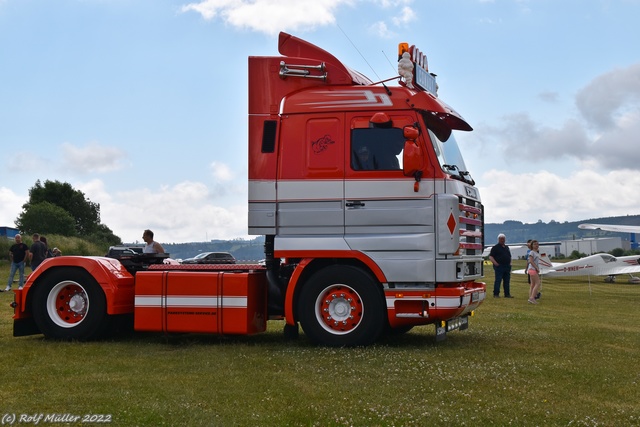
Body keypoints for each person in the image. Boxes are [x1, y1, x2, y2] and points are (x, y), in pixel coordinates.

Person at [489, 233, 513, 298]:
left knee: (507, 281)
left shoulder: (507, 247)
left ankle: (507, 294)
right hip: (499, 266)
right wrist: (496, 263)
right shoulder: (495, 247)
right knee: (498, 280)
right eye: (501, 239)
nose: (502, 240)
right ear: (498, 239)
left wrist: (510, 263)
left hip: (507, 266)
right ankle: (496, 294)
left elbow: (509, 256)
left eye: (503, 239)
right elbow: (491, 256)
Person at [527, 240, 542, 304]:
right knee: (538, 283)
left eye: (537, 244)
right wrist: (536, 268)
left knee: (532, 284)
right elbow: (531, 261)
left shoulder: (537, 253)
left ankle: (530, 297)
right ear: (532, 246)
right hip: (532, 269)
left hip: (533, 269)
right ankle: (532, 298)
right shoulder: (532, 252)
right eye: (535, 244)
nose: (536, 245)